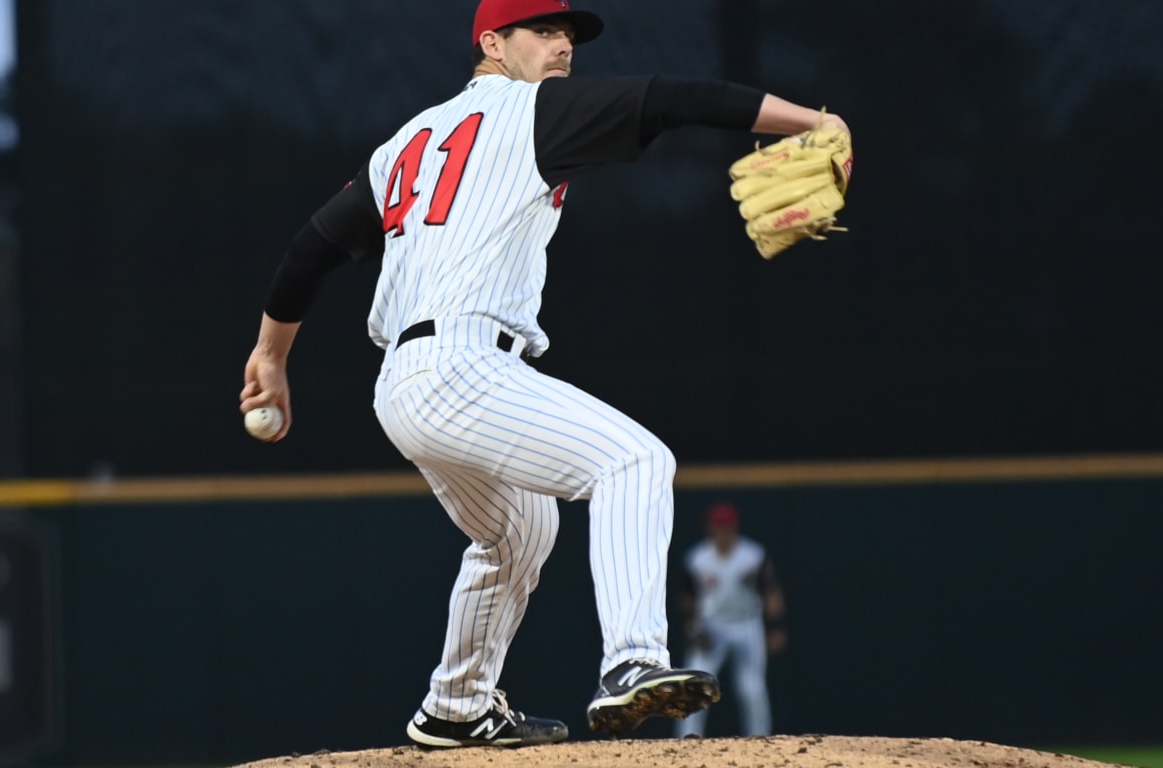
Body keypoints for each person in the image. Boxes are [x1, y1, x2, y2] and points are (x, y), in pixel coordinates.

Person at [238, 0, 849, 748]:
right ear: (492, 43)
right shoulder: (534, 109)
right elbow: (674, 98)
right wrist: (811, 122)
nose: (562, 47)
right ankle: (632, 661)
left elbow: (311, 248)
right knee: (634, 461)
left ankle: (455, 706)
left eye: (569, 34)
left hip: (404, 384)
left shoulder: (406, 143)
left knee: (522, 531)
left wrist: (271, 355)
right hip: (460, 364)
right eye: (544, 31)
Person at [673, 502, 787, 738]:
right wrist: (692, 626)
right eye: (718, 528)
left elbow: (771, 591)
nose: (723, 533)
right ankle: (686, 741)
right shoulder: (697, 558)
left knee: (751, 688)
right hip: (711, 625)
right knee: (695, 686)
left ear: (735, 528)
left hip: (747, 624)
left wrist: (775, 627)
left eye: (727, 527)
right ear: (710, 529)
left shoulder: (753, 556)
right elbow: (687, 597)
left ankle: (760, 739)